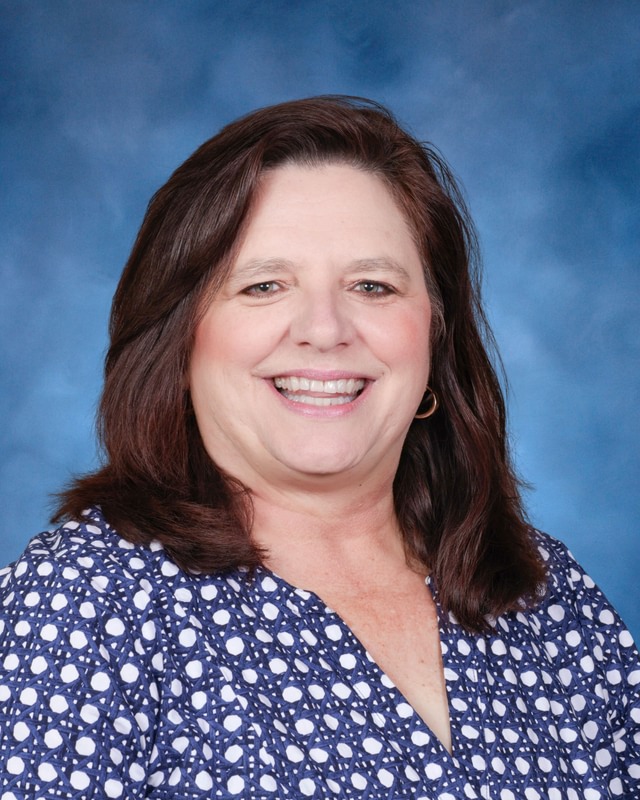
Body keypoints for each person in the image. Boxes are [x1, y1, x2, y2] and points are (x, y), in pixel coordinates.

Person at [0, 96, 638, 799]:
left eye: (373, 285)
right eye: (265, 285)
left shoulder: (544, 592)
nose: (325, 330)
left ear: (435, 337)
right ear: (178, 337)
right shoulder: (85, 605)